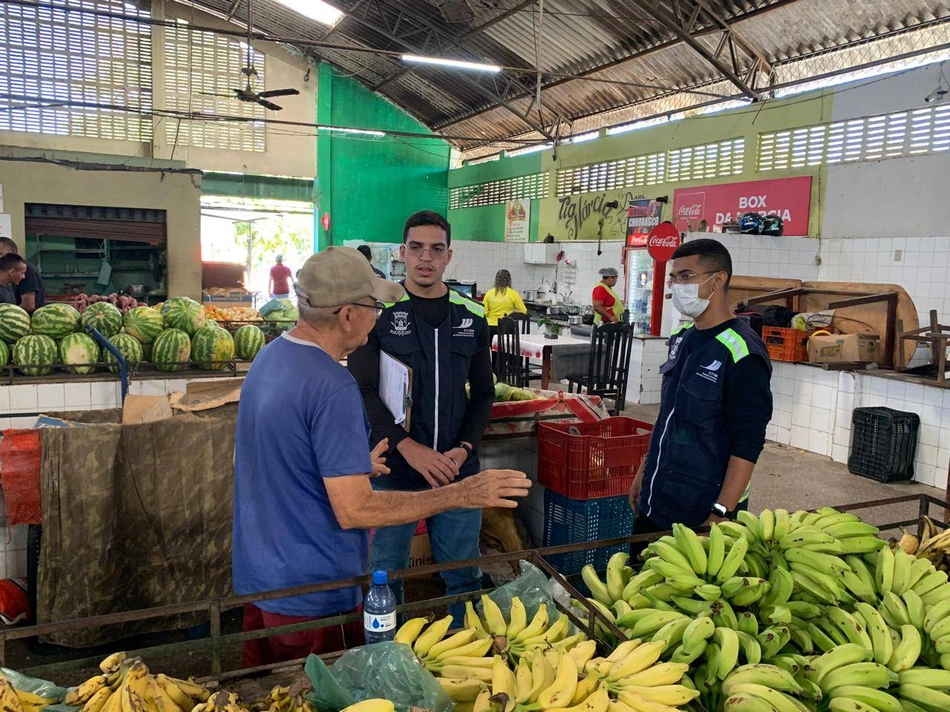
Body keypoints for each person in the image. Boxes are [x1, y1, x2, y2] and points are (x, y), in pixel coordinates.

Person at [233, 245, 530, 667]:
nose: (379, 317)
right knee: (319, 693)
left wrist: (348, 467)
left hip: (262, 578)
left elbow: (280, 457)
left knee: (265, 691)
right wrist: (460, 494)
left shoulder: (270, 357)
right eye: (374, 306)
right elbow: (356, 510)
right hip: (315, 593)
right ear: (348, 314)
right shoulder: (333, 384)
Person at [348, 211, 495, 618]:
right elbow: (362, 388)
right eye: (416, 248)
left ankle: (464, 662)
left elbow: (484, 392)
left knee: (463, 574)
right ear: (402, 253)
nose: (425, 257)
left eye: (435, 249)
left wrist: (464, 449)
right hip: (395, 469)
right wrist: (406, 447)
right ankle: (384, 657)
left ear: (449, 256)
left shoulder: (473, 316)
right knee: (384, 573)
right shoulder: (378, 313)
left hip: (456, 470)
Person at [628, 238, 773, 549]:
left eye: (686, 276)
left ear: (717, 280)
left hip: (702, 511)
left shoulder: (742, 352)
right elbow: (669, 414)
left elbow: (748, 443)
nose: (676, 286)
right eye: (674, 277)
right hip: (658, 496)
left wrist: (721, 513)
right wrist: (645, 469)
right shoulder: (682, 338)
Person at [0, 238, 44, 312]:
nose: (23, 276)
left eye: (0, 253)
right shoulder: (7, 287)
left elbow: (29, 305)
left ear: (12, 252)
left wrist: (10, 314)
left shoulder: (27, 269)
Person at [483, 269, 527, 334]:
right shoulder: (513, 293)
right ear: (509, 280)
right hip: (506, 327)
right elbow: (523, 311)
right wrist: (513, 313)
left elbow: (484, 312)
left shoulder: (489, 293)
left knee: (492, 344)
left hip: (490, 327)